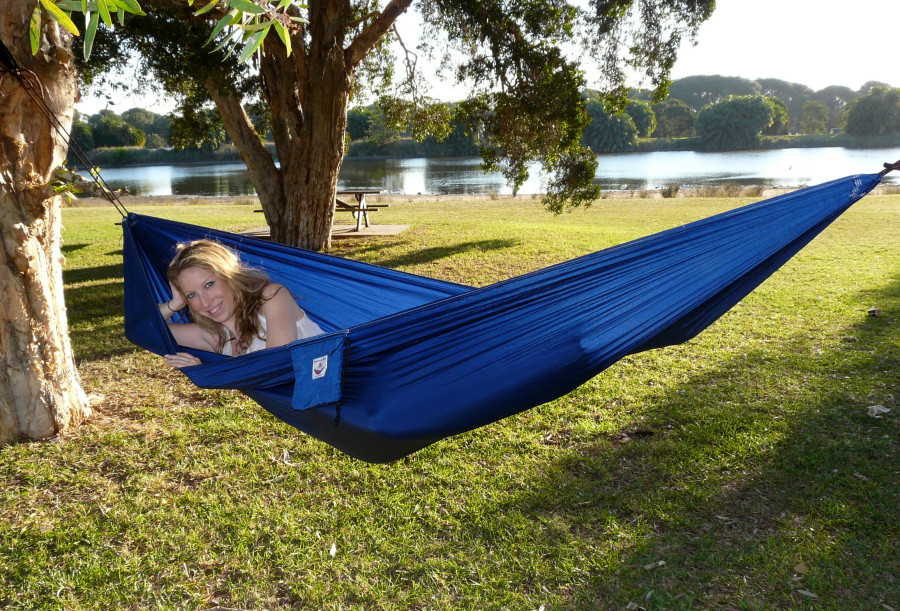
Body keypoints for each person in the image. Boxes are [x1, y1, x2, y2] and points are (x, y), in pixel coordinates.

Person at [158, 239, 323, 368]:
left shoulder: (272, 298)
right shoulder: (218, 337)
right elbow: (145, 330)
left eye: (209, 285)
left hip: (342, 396)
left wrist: (207, 372)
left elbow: (275, 365)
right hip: (305, 409)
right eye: (192, 295)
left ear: (229, 277)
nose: (205, 302)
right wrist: (176, 302)